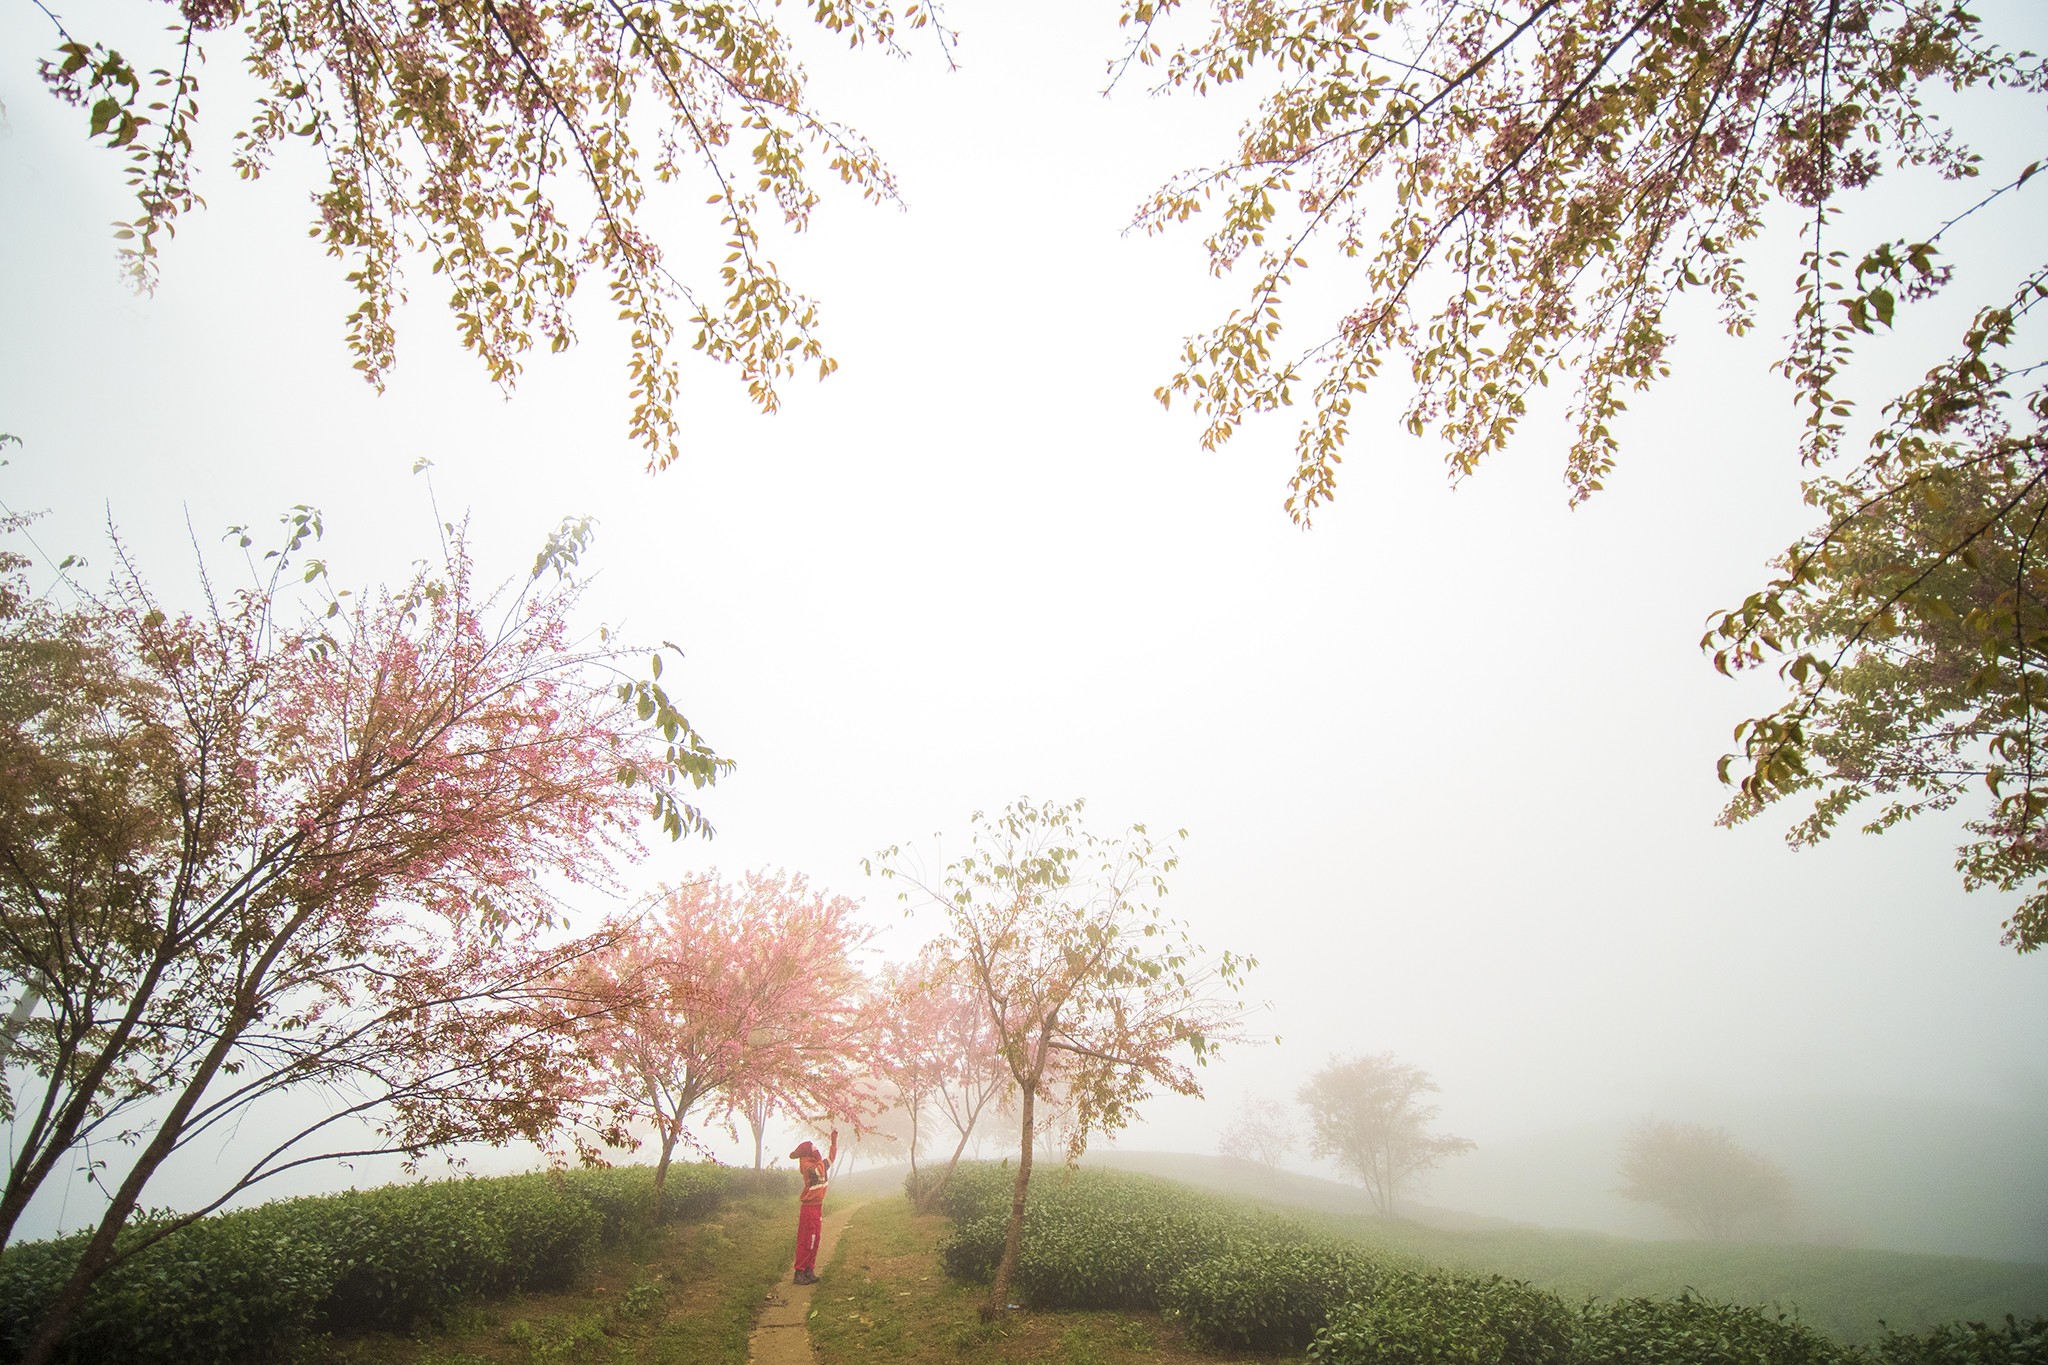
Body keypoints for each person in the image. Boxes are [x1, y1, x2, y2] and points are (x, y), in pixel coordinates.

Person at [789, 1127, 837, 1284]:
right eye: (814, 1149)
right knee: (807, 1239)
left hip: (817, 1206)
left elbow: (830, 1159)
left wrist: (833, 1141)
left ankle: (809, 1269)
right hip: (809, 1208)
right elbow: (818, 1171)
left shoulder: (816, 1163)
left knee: (815, 1239)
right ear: (808, 1152)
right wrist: (821, 1160)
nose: (817, 1151)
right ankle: (799, 1271)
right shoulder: (807, 1165)